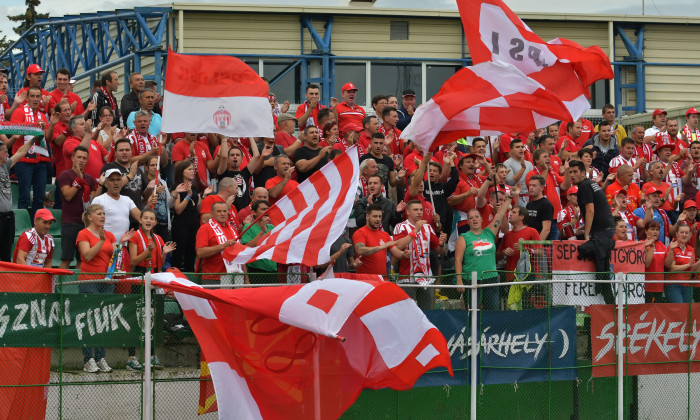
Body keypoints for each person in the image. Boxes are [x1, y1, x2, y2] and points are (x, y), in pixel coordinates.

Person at [76, 204, 134, 373]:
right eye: (99, 214)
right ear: (89, 217)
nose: (102, 216)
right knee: (89, 321)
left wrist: (121, 244)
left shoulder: (109, 235)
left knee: (103, 320)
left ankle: (101, 357)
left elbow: (114, 258)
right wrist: (101, 241)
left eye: (104, 214)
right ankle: (88, 359)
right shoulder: (83, 234)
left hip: (106, 282)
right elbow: (86, 255)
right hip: (89, 281)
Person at [569, 160, 616, 303]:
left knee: (584, 249)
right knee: (602, 266)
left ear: (583, 173)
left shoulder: (584, 186)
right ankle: (609, 303)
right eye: (570, 172)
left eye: (575, 171)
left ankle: (608, 302)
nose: (572, 175)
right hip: (606, 229)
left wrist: (587, 234)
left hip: (601, 232)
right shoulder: (591, 184)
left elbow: (590, 210)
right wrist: (585, 228)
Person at [454, 198, 510, 310]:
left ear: (481, 219)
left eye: (476, 217)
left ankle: (489, 328)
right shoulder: (464, 237)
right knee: (473, 311)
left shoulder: (489, 233)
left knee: (492, 311)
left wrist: (511, 197)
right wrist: (459, 280)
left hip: (491, 279)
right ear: (468, 222)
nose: (474, 219)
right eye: (471, 218)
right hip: (471, 279)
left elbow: (500, 215)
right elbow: (458, 260)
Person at [393, 200, 447, 310]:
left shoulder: (427, 227)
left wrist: (442, 244)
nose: (419, 212)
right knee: (408, 313)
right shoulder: (400, 227)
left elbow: (439, 250)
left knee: (428, 313)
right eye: (415, 209)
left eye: (421, 209)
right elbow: (398, 247)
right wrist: (416, 230)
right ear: (407, 211)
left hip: (426, 277)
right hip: (407, 277)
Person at [10, 86, 50, 218]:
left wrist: (46, 128)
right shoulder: (19, 112)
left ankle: (36, 229)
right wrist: (35, 128)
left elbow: (48, 139)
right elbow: (15, 134)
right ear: (27, 98)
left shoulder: (43, 116)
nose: (35, 99)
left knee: (39, 198)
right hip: (24, 160)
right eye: (32, 96)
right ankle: (23, 229)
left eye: (38, 96)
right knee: (24, 197)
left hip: (41, 160)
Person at [0, 136, 39, 261]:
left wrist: (33, 140)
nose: (8, 153)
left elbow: (21, 152)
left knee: (6, 254)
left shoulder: (5, 166)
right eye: (5, 151)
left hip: (8, 216)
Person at [58, 146, 97, 269]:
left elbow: (94, 200)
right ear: (73, 158)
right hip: (69, 223)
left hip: (85, 224)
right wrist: (78, 180)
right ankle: (57, 288)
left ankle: (76, 288)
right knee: (66, 259)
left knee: (82, 260)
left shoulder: (90, 179)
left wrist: (101, 184)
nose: (81, 160)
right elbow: (68, 195)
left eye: (84, 158)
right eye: (79, 157)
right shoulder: (65, 175)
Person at [352, 204, 409, 276]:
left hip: (382, 279)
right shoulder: (360, 232)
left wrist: (404, 254)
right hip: (366, 280)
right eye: (375, 216)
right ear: (367, 216)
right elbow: (360, 250)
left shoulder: (385, 235)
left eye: (380, 216)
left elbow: (397, 253)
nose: (378, 219)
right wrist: (382, 247)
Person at [195, 201, 242, 283]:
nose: (222, 214)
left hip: (236, 276)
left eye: (224, 211)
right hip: (213, 278)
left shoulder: (233, 229)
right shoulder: (205, 229)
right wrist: (223, 246)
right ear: (212, 214)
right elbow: (200, 252)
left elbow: (240, 255)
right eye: (219, 211)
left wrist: (246, 279)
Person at [92, 169, 143, 244]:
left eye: (118, 179)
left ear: (122, 182)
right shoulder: (98, 200)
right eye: (112, 180)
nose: (116, 183)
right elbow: (91, 225)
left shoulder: (127, 200)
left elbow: (141, 218)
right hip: (104, 246)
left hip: (123, 247)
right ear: (105, 183)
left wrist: (148, 203)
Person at [170, 160, 201, 272]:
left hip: (194, 225)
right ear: (182, 172)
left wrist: (203, 196)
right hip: (181, 225)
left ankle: (189, 280)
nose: (192, 171)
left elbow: (198, 209)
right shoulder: (177, 187)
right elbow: (178, 210)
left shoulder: (195, 188)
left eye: (193, 169)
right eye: (189, 169)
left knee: (191, 255)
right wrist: (188, 196)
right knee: (178, 255)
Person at [497, 206, 540, 282]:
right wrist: (504, 251)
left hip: (530, 277)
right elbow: (498, 257)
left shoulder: (532, 231)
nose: (510, 214)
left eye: (514, 212)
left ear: (522, 216)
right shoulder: (507, 235)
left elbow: (541, 253)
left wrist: (525, 249)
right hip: (511, 278)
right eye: (511, 212)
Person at [241, 200, 277, 284]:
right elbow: (247, 247)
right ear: (254, 212)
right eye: (263, 209)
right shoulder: (248, 227)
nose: (266, 211)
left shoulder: (272, 227)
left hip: (273, 270)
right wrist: (262, 231)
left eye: (268, 209)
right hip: (256, 271)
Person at [665, 224, 699, 304]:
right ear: (677, 234)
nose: (684, 235)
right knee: (679, 309)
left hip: (687, 285)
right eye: (682, 232)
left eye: (686, 233)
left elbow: (692, 270)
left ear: (690, 235)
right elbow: (671, 268)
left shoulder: (692, 250)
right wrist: (687, 265)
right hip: (673, 285)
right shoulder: (672, 248)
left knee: (687, 312)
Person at [142, 155, 173, 241]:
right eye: (152, 165)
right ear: (146, 167)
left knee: (162, 251)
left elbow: (169, 204)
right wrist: (153, 191)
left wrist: (176, 194)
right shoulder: (143, 181)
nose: (155, 167)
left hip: (164, 224)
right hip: (149, 223)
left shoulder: (163, 182)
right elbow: (142, 201)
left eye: (157, 165)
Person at [643, 220, 665, 303]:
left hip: (659, 286)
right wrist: (650, 247)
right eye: (652, 229)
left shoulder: (662, 245)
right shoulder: (642, 244)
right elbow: (646, 265)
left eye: (657, 230)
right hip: (645, 286)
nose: (655, 232)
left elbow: (667, 265)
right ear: (645, 231)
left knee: (656, 313)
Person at [526, 175, 555, 240]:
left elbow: (546, 229)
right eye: (530, 185)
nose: (531, 188)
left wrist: (537, 245)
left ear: (542, 188)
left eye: (534, 185)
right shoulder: (529, 204)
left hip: (541, 244)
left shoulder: (546, 205)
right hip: (529, 242)